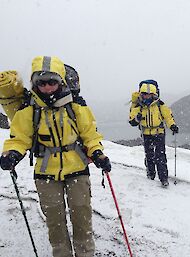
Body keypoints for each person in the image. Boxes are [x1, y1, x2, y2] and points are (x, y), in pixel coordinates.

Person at [0, 56, 111, 257]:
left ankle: (85, 253)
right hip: (45, 172)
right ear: (34, 83)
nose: (48, 87)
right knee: (54, 219)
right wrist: (12, 154)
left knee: (82, 215)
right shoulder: (29, 109)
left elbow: (90, 134)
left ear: (61, 81)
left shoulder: (75, 105)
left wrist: (98, 153)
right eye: (41, 82)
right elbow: (19, 137)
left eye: (52, 81)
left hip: (77, 169)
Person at [129, 80, 179, 187]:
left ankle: (163, 178)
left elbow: (168, 116)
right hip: (146, 133)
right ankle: (151, 174)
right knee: (149, 155)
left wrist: (172, 125)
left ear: (153, 94)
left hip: (159, 132)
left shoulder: (159, 105)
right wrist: (136, 119)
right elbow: (132, 121)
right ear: (141, 94)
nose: (147, 96)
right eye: (144, 94)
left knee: (160, 156)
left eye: (149, 94)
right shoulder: (138, 106)